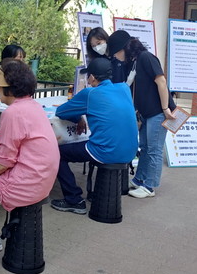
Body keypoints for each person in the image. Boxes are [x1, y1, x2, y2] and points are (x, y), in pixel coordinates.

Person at [0, 60, 59, 270]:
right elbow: (17, 145)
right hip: (41, 181)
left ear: (8, 88)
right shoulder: (32, 105)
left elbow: (2, 164)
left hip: (23, 184)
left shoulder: (13, 112)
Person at [50, 58, 138, 213]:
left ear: (91, 77)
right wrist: (80, 116)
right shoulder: (124, 88)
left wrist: (78, 116)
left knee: (56, 153)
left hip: (105, 151)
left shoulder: (90, 93)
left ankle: (74, 200)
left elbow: (61, 111)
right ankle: (89, 193)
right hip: (130, 151)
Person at [110, 30, 176, 198]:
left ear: (123, 48)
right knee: (145, 148)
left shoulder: (146, 57)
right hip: (145, 113)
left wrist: (165, 108)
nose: (115, 56)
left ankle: (149, 186)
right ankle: (139, 179)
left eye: (116, 52)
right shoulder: (133, 62)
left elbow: (161, 82)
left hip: (158, 112)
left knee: (154, 149)